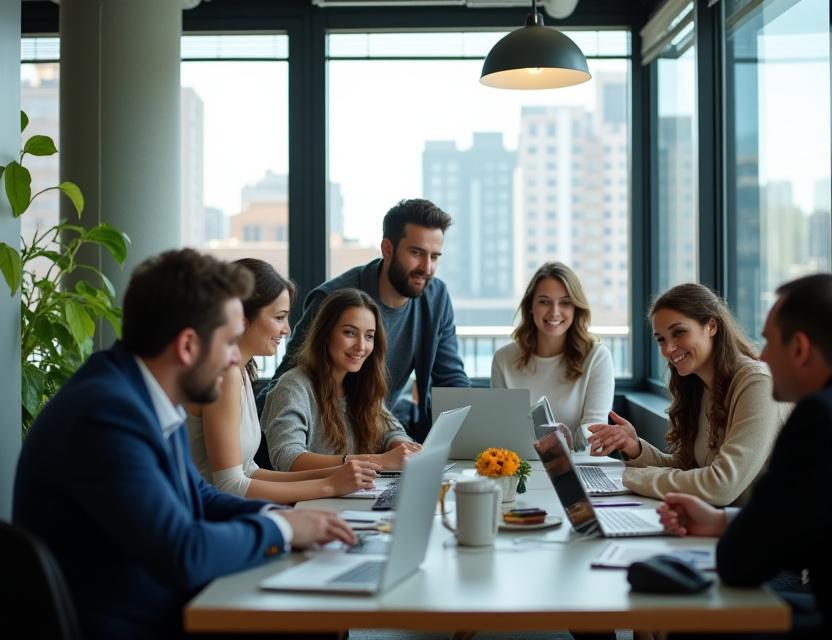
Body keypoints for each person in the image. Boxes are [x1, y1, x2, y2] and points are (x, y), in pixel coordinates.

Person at [13, 249, 356, 640]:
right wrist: (282, 529)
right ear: (188, 346)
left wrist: (283, 516)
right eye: (229, 342)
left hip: (164, 600)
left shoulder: (147, 393)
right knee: (315, 623)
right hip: (134, 623)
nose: (233, 358)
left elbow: (198, 496)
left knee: (319, 613)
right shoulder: (104, 416)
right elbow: (183, 553)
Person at [657, 273, 832, 638]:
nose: (762, 355)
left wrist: (630, 477)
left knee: (693, 617)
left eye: (770, 342)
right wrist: (722, 523)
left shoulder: (816, 417)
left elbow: (741, 562)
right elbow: (798, 523)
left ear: (799, 348)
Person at [262, 198, 470, 443]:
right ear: (388, 249)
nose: (426, 267)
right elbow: (287, 380)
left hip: (377, 429)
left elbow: (451, 381)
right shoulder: (333, 299)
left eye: (434, 257)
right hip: (321, 437)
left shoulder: (436, 298)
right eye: (416, 253)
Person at [186, 258, 380, 502]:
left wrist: (336, 474)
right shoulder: (224, 373)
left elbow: (249, 471)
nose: (287, 329)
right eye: (279, 317)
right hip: (203, 518)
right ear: (242, 316)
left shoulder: (242, 370)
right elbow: (229, 485)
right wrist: (328, 487)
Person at [588, 283, 790, 506]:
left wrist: (631, 478)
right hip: (715, 525)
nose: (668, 349)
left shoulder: (757, 383)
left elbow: (721, 486)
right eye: (661, 339)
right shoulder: (698, 387)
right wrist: (635, 447)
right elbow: (687, 469)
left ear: (711, 326)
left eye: (679, 332)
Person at [263, 288, 421, 472]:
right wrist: (378, 461)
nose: (361, 346)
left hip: (355, 494)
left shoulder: (361, 384)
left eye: (369, 336)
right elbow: (287, 457)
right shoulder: (293, 386)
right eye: (350, 333)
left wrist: (403, 449)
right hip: (310, 499)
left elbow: (392, 431)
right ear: (326, 333)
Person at [491, 261, 615, 450]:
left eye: (565, 302)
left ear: (575, 308)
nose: (554, 312)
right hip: (521, 466)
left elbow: (594, 436)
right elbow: (501, 431)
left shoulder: (597, 357)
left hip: (579, 467)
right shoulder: (503, 359)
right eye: (544, 301)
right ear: (531, 306)